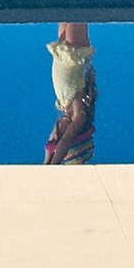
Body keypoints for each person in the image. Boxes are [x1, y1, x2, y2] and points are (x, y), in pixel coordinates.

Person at [43, 21, 97, 164]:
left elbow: (51, 147)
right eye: (57, 138)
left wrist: (46, 163)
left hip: (64, 56)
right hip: (75, 57)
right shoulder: (80, 114)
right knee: (76, 11)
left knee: (65, 8)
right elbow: (65, 143)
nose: (53, 135)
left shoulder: (64, 106)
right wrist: (53, 167)